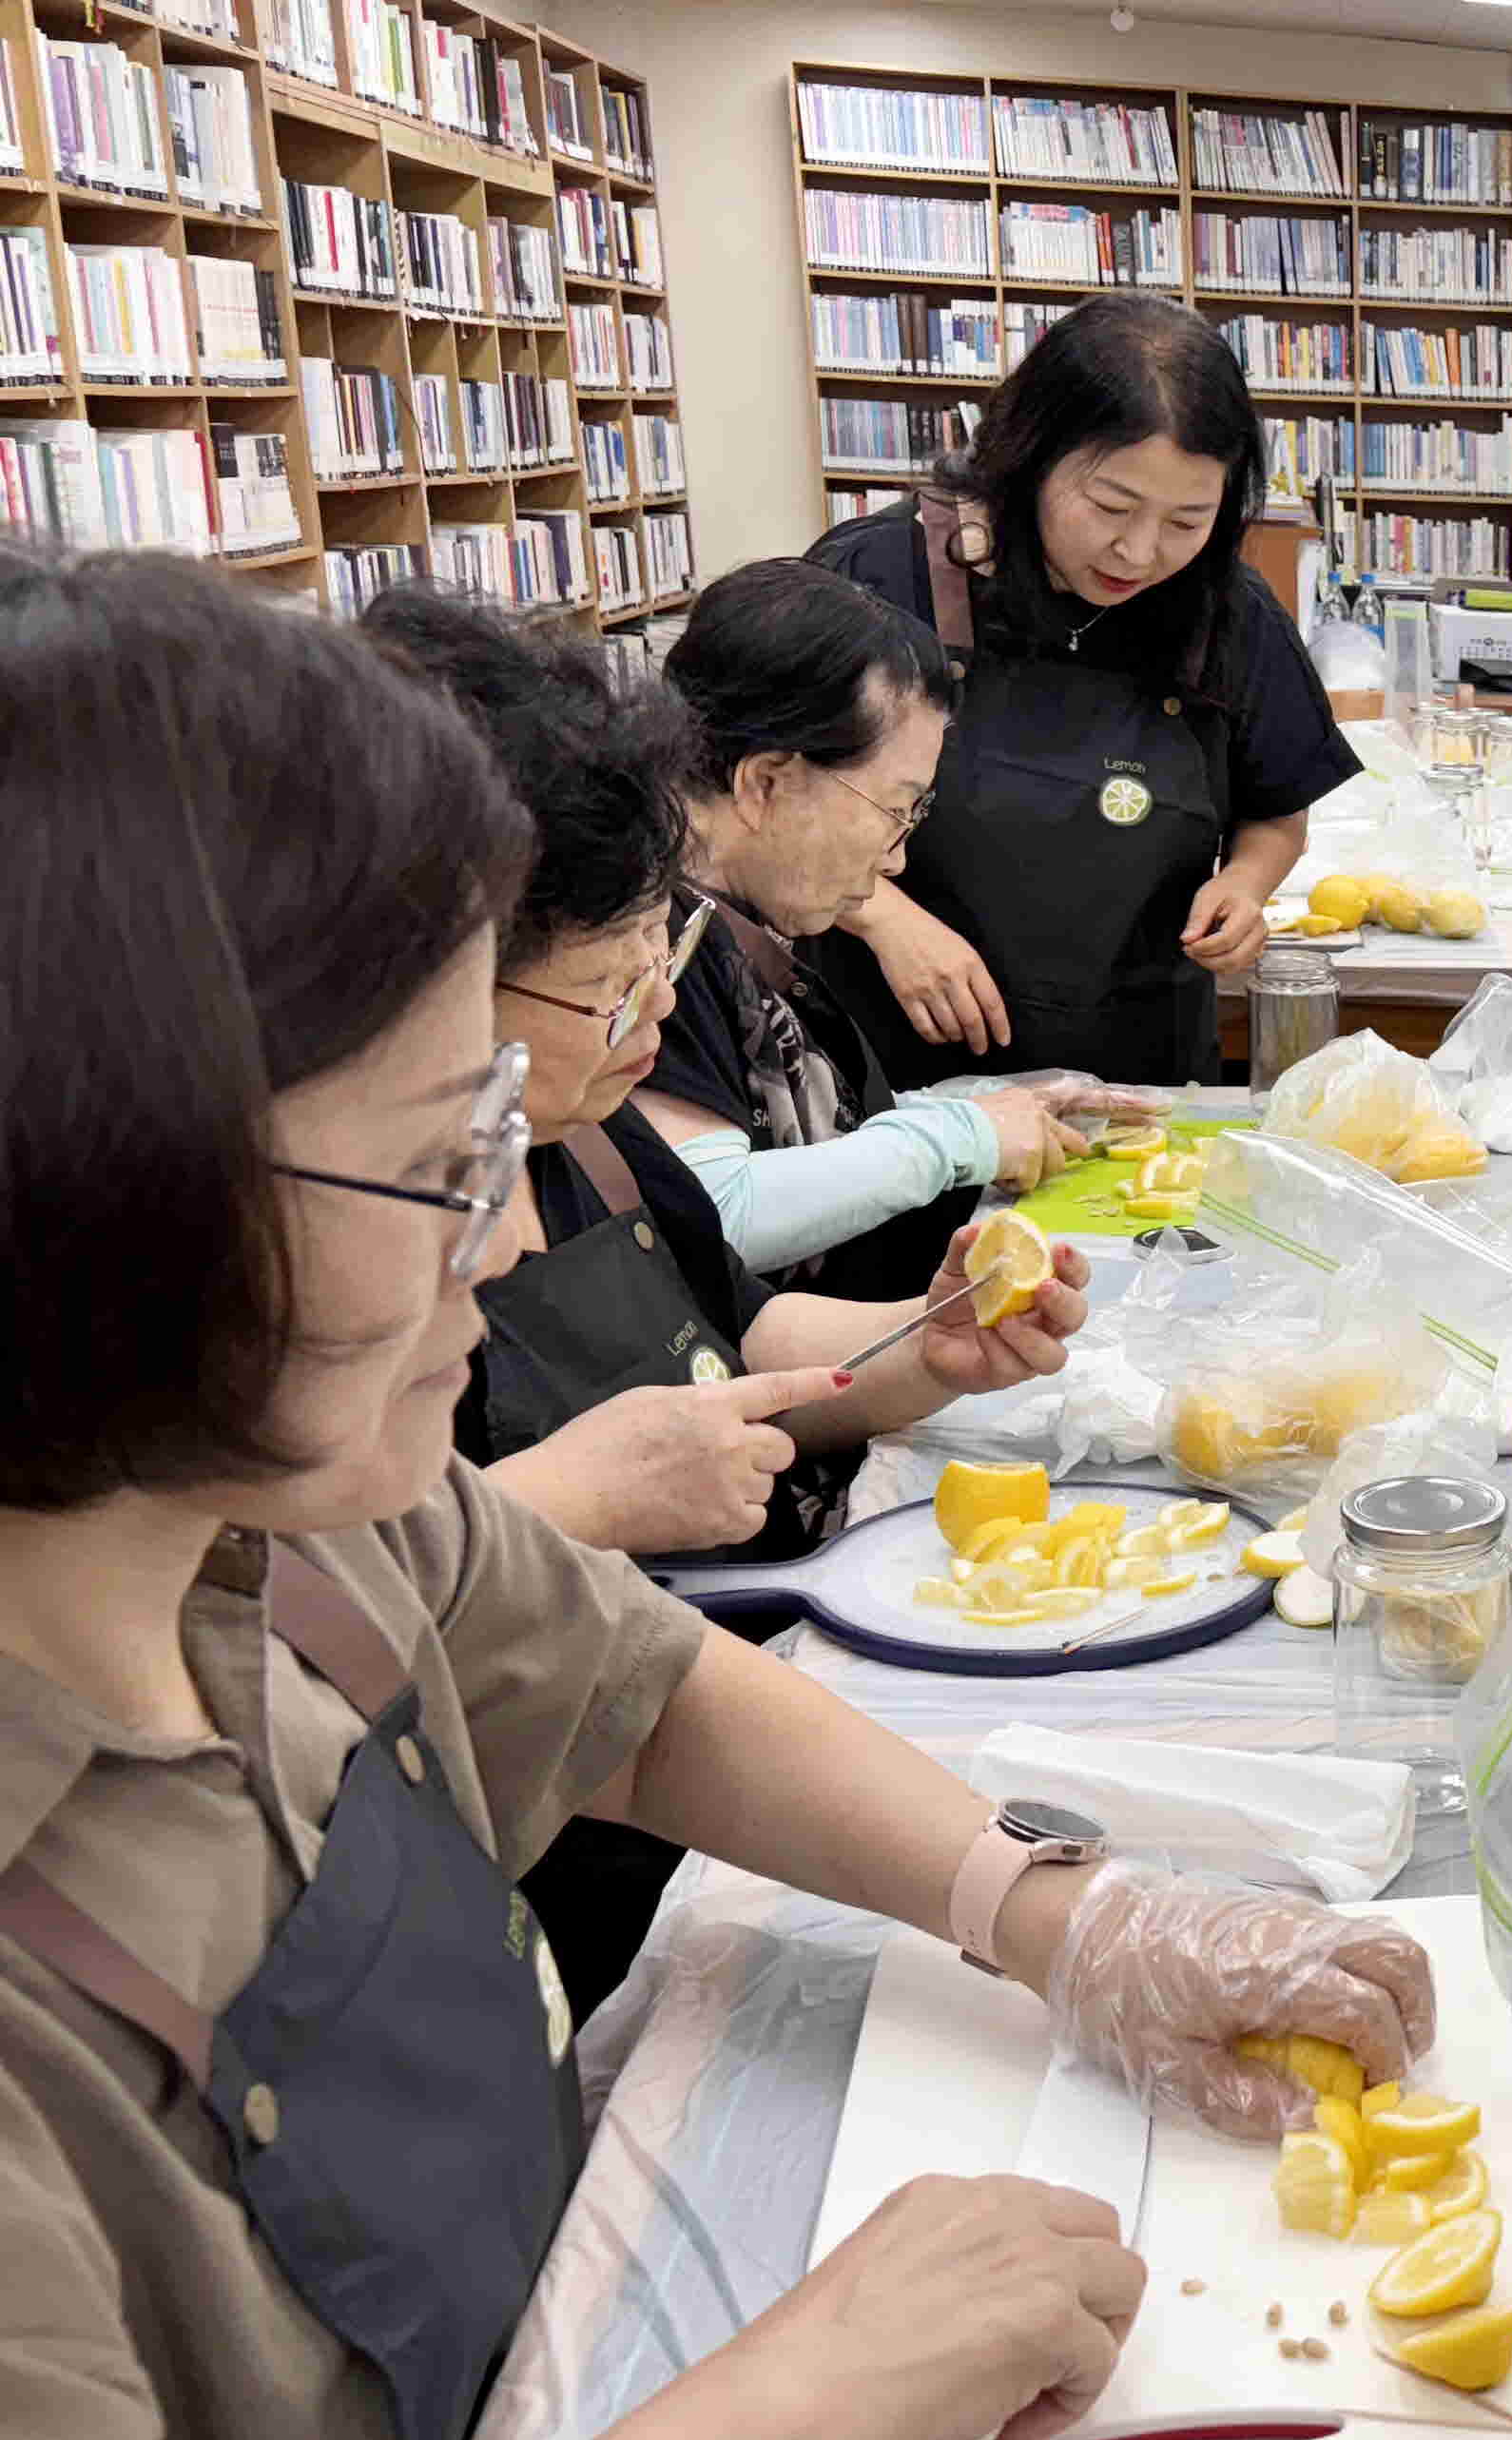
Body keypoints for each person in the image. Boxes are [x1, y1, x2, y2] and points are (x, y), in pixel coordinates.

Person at [0, 547, 1435, 2440]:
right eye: (437, 1158)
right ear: (106, 1193)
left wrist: (1054, 1912)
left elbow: (649, 1693)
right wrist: (789, 2409)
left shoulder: (284, 1525)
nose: (504, 1235)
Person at [360, 588, 1102, 2012]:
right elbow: (328, 1618)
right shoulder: (347, 1250)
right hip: (523, 1859)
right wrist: (565, 1497)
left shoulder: (590, 1127)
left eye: (666, 962)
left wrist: (919, 1354)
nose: (651, 1014)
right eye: (606, 983)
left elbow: (742, 1355)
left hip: (698, 1776)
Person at [805, 294, 1358, 1086]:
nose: (1138, 553)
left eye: (1187, 521)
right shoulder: (876, 580)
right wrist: (884, 919)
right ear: (1031, 456)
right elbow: (761, 809)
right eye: (1111, 506)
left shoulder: (1227, 610)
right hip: (898, 1064)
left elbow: (1276, 806)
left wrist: (1245, 883)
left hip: (1138, 1068)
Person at [630, 558, 1133, 1299]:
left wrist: (982, 1114)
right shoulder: (652, 942)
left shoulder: (740, 921)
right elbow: (713, 1206)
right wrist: (962, 1138)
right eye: (895, 808)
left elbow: (814, 1144)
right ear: (765, 782)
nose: (896, 857)